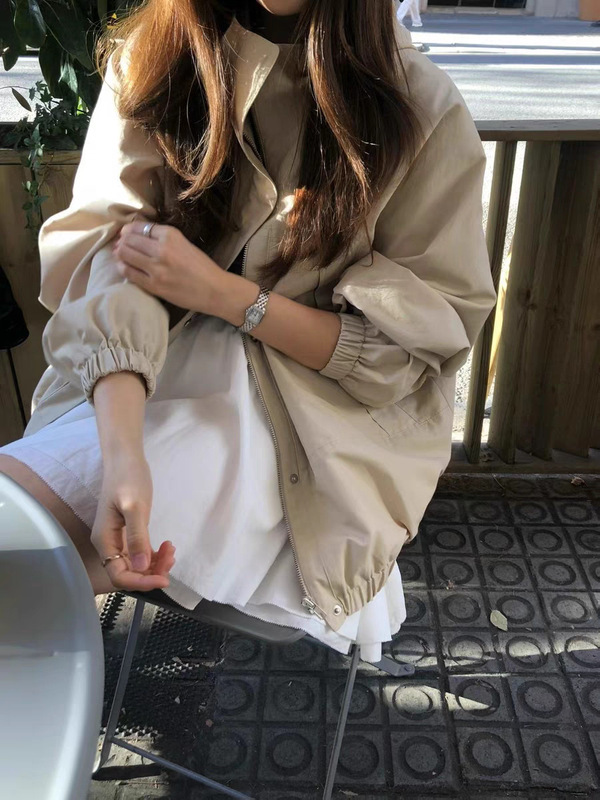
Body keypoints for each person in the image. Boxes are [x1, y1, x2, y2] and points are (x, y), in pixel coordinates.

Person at [0, 0, 496, 662]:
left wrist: (227, 295)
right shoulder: (157, 54)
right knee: (19, 538)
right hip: (145, 377)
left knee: (24, 560)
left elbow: (404, 351)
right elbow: (112, 258)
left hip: (315, 425)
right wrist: (122, 454)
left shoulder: (418, 105)